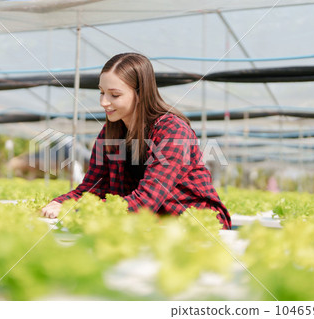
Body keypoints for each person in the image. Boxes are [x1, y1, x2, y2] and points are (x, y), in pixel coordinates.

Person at [41, 52, 231, 230]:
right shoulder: (110, 133)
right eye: (101, 92)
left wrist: (78, 210)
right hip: (150, 226)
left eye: (114, 95)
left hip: (197, 225)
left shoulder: (173, 131)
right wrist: (61, 202)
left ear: (140, 93)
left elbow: (148, 200)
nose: (103, 102)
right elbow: (92, 188)